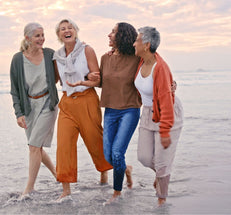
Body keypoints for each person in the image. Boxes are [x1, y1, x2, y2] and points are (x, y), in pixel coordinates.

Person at [77, 22, 142, 204]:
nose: (109, 35)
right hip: (111, 111)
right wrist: (88, 78)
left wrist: (171, 84)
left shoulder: (137, 58)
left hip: (130, 110)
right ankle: (126, 170)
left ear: (122, 36)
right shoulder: (106, 58)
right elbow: (101, 83)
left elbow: (154, 67)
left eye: (113, 32)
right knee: (108, 156)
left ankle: (117, 193)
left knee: (117, 153)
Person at [52, 18, 113, 202]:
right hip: (67, 103)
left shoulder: (87, 50)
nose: (66, 30)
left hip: (87, 99)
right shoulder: (57, 57)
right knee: (63, 146)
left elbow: (97, 80)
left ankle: (105, 171)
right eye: (62, 29)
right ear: (59, 35)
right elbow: (55, 80)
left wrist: (87, 78)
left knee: (95, 141)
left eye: (70, 27)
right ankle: (66, 188)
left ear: (76, 31)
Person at [133, 26, 184, 207]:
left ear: (146, 45)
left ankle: (161, 201)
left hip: (166, 113)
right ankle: (162, 174)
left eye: (137, 40)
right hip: (148, 112)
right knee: (144, 157)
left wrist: (165, 132)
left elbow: (166, 103)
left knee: (162, 162)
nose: (134, 43)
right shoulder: (140, 61)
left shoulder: (160, 68)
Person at [9, 22, 60, 201]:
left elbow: (59, 75)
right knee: (35, 146)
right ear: (27, 38)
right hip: (28, 107)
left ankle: (29, 188)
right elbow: (15, 89)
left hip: (48, 103)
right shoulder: (17, 59)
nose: (41, 39)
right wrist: (19, 113)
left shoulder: (49, 54)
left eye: (43, 35)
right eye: (37, 35)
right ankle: (57, 175)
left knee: (33, 146)